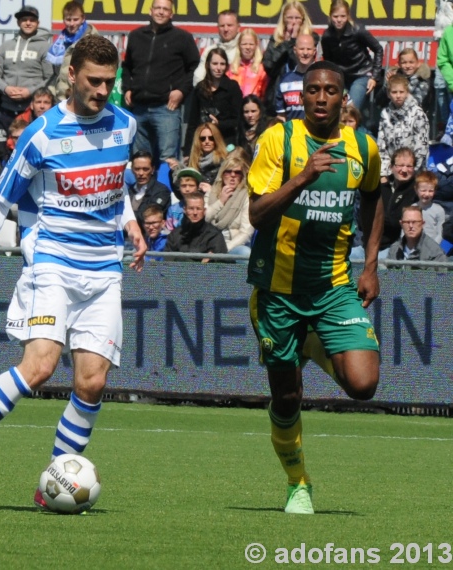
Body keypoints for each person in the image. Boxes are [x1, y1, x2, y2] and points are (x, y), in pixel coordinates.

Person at [0, 35, 146, 502]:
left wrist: (130, 222)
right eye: (93, 81)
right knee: (40, 366)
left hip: (105, 271)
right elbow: (1, 198)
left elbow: (114, 186)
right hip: (53, 266)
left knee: (92, 382)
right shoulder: (42, 134)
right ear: (71, 74)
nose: (102, 90)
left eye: (109, 82)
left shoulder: (125, 126)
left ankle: (55, 483)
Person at [247, 60, 384, 515]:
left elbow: (372, 198)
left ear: (344, 98)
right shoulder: (278, 140)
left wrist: (371, 264)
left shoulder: (363, 146)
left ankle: (313, 340)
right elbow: (256, 213)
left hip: (334, 286)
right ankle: (297, 482)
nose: (321, 97)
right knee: (287, 397)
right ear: (300, 97)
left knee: (364, 385)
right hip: (278, 290)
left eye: (330, 91)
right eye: (312, 90)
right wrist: (303, 176)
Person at [123, 0, 199, 164]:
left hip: (166, 109)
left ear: (171, 14)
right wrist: (128, 88)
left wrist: (181, 91)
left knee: (168, 160)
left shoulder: (183, 38)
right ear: (150, 11)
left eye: (165, 9)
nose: (161, 12)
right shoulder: (136, 36)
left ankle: (167, 190)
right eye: (157, 8)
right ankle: (143, 191)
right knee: (140, 160)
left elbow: (195, 68)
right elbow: (127, 66)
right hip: (139, 108)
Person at [0, 6, 54, 136]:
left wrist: (29, 91)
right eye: (24, 19)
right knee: (3, 150)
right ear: (19, 22)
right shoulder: (5, 46)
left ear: (38, 23)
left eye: (32, 20)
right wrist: (5, 88)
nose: (28, 23)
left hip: (30, 111)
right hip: (6, 109)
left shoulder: (45, 47)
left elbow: (50, 77)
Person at [320, 0, 383, 111]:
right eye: (335, 16)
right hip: (341, 78)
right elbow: (328, 61)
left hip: (361, 74)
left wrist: (374, 77)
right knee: (336, 110)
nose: (339, 20)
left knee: (350, 109)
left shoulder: (358, 31)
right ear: (330, 16)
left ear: (348, 16)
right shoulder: (327, 36)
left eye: (343, 16)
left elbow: (378, 49)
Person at [262, 1, 317, 116]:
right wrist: (285, 44)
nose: (293, 22)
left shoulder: (311, 38)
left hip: (301, 94)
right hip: (277, 93)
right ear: (284, 19)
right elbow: (269, 67)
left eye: (297, 18)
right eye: (290, 18)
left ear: (302, 19)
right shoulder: (276, 39)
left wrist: (293, 41)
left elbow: (299, 62)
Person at [186, 48, 243, 148]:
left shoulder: (232, 87)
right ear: (208, 65)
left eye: (222, 64)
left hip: (226, 140)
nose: (219, 68)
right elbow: (192, 122)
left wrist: (219, 124)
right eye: (215, 63)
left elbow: (238, 119)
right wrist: (187, 151)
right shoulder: (200, 88)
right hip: (204, 141)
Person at [376, 74, 429, 176]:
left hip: (413, 172)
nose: (398, 95)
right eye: (394, 92)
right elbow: (381, 146)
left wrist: (412, 170)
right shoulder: (385, 114)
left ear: (407, 92)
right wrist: (384, 173)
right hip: (391, 171)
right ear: (388, 94)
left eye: (401, 92)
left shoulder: (418, 113)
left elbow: (422, 147)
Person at [49, 1, 100, 101]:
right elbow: (55, 73)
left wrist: (76, 90)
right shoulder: (60, 42)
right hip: (61, 97)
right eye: (68, 20)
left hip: (83, 97)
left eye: (75, 19)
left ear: (83, 19)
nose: (72, 24)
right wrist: (52, 92)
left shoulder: (92, 39)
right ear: (63, 20)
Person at [205, 153, 253, 256]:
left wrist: (223, 249)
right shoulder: (211, 192)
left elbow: (246, 233)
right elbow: (204, 218)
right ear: (222, 174)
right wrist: (220, 202)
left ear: (242, 176)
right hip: (208, 242)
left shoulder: (246, 197)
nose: (232, 175)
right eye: (228, 172)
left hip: (231, 245)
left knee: (246, 253)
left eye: (237, 172)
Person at [164, 191, 227, 262]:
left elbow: (222, 266)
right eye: (191, 208)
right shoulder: (174, 235)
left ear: (204, 211)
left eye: (198, 209)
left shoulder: (214, 235)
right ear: (185, 210)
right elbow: (168, 262)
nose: (195, 213)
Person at [192, 10, 241, 86]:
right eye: (222, 26)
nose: (226, 29)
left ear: (238, 28)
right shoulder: (210, 50)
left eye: (229, 25)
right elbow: (198, 77)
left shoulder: (245, 50)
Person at [275, 34, 317, 121]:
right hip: (293, 132)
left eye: (309, 49)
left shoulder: (325, 76)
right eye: (301, 49)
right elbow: (281, 116)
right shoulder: (285, 81)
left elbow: (346, 105)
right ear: (295, 50)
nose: (305, 53)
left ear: (314, 51)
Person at [128, 150, 171, 227]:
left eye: (145, 169)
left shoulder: (162, 191)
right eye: (137, 169)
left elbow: (148, 216)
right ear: (132, 169)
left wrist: (126, 218)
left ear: (152, 169)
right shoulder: (128, 191)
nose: (141, 173)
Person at [184, 122, 227, 190]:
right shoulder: (191, 162)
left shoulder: (224, 162)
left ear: (216, 139)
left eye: (211, 138)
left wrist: (211, 191)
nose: (207, 141)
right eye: (202, 138)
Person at [227, 28, 268, 99]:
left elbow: (265, 95)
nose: (248, 47)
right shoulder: (231, 69)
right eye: (244, 44)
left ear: (256, 46)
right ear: (239, 46)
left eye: (251, 44)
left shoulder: (262, 69)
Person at [413, 171, 445, 243]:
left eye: (431, 191)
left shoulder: (439, 210)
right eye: (423, 190)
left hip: (432, 246)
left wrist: (433, 247)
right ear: (416, 190)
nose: (427, 194)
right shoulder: (412, 208)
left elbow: (440, 233)